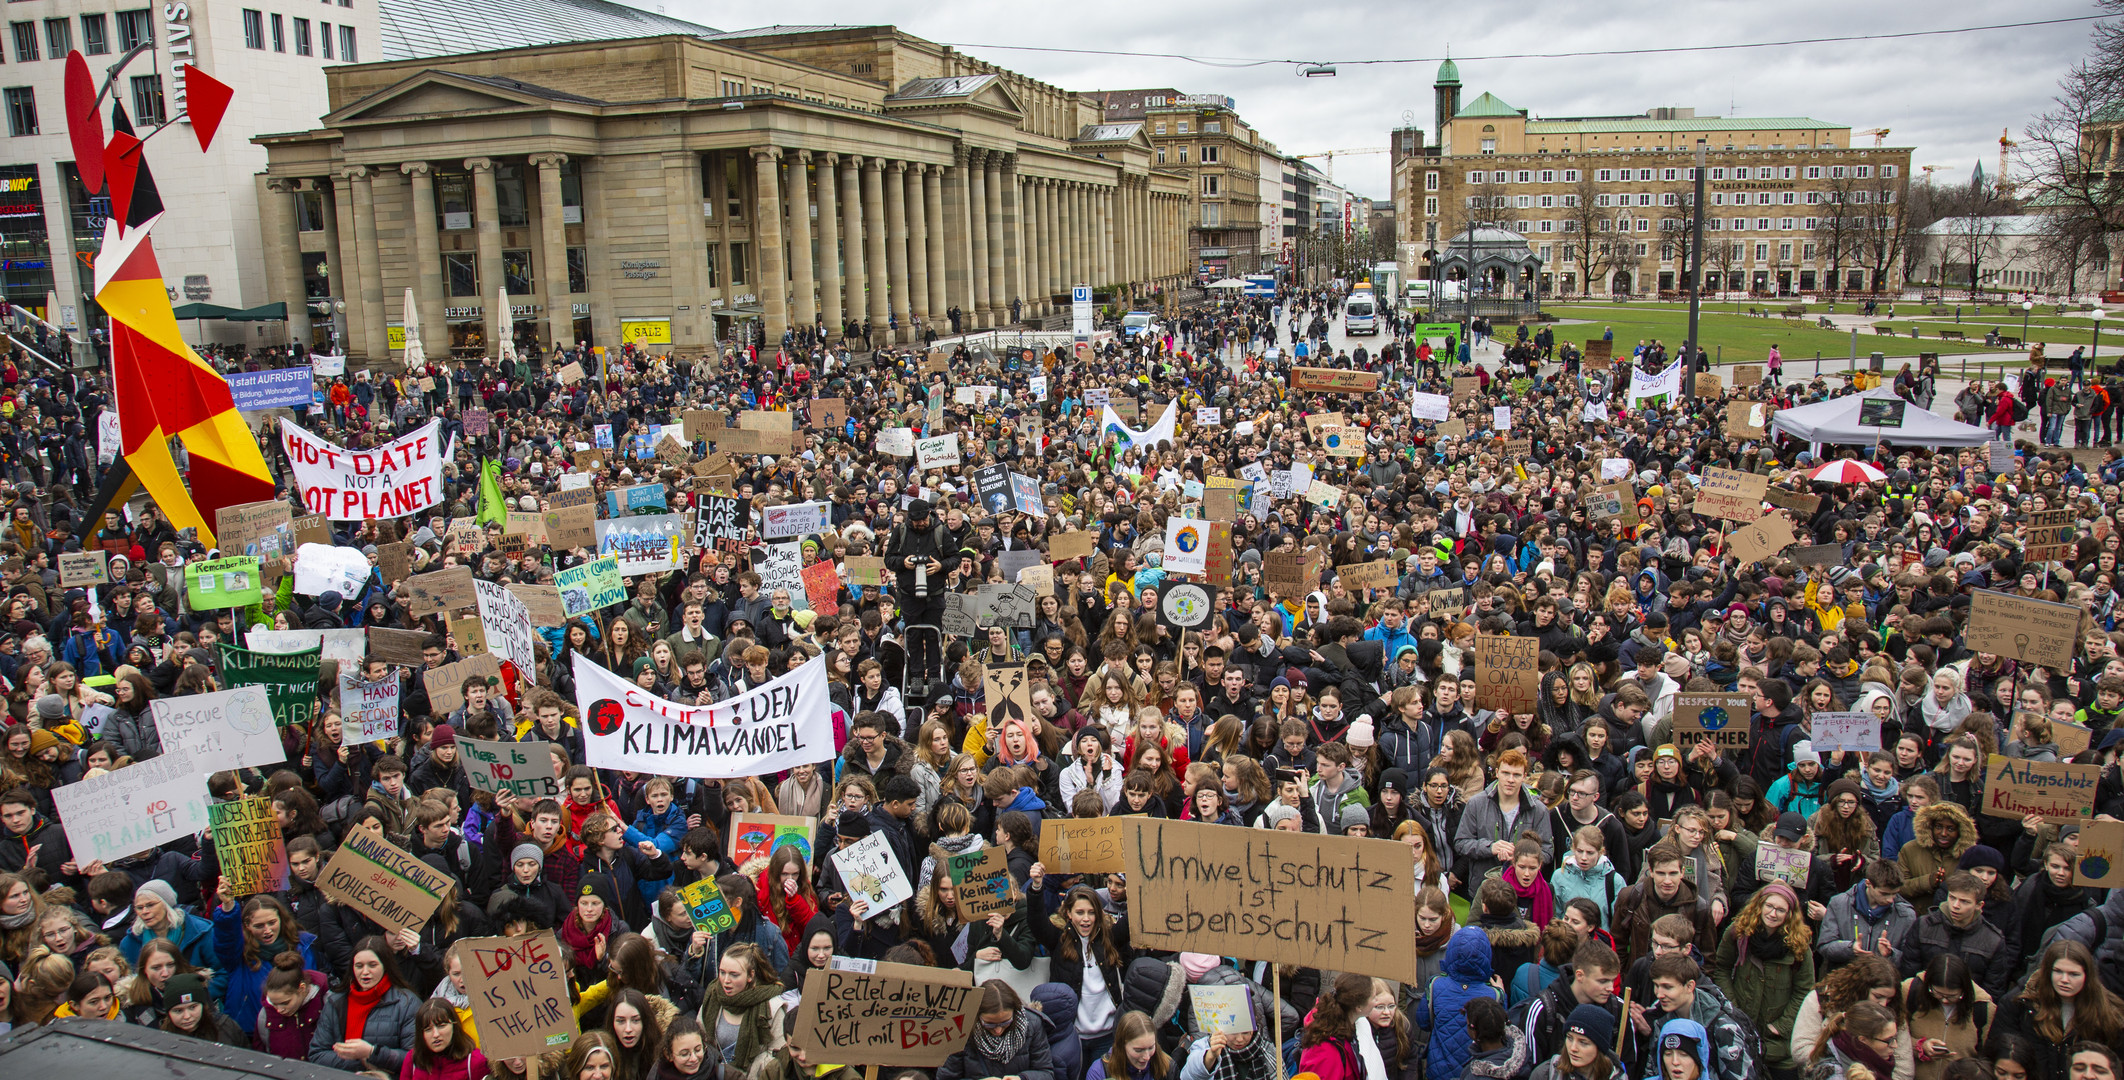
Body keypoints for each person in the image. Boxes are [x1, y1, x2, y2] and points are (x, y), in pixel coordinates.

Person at [1709, 881, 1815, 1074]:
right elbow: (1721, 969)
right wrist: (1734, 1010)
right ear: (1760, 905)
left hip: (1778, 1042)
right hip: (1740, 1029)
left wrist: (1782, 1026)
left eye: (1780, 910)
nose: (1773, 914)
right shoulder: (1738, 932)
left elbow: (1805, 990)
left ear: (1789, 914)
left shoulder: (1799, 946)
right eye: (1770, 906)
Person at [1987, 941, 2124, 1080]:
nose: (2064, 980)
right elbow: (1996, 1054)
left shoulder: (2110, 1011)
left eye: (2073, 974)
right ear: (2047, 971)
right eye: (2058, 971)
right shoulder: (2018, 1004)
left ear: (2087, 976)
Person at [309, 936, 422, 1073]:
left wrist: (372, 1052)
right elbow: (317, 1054)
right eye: (359, 966)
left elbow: (416, 1059)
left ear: (386, 966)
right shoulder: (335, 1002)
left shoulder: (407, 1003)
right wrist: (360, 1061)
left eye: (372, 965)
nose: (365, 972)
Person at [938, 981, 1056, 1080]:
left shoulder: (1032, 1024)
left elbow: (1046, 1073)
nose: (998, 1030)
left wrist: (1022, 1078)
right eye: (989, 1024)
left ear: (1015, 1012)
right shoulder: (960, 1029)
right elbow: (945, 1077)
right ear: (976, 1015)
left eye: (1005, 1023)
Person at [1528, 1004, 1627, 1080]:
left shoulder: (1617, 1077)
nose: (1573, 1048)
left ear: (1600, 1047)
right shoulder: (1545, 1074)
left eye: (1583, 1042)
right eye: (1570, 1038)